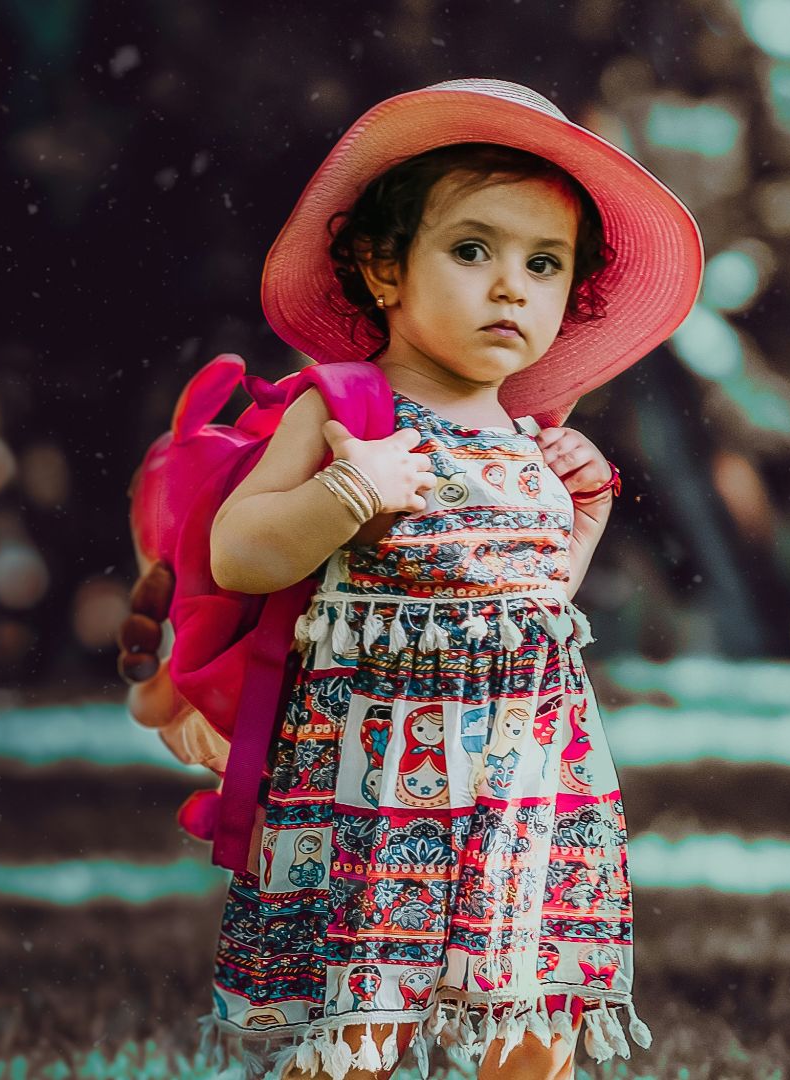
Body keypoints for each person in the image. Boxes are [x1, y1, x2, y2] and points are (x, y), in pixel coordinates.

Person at [195, 78, 702, 1080]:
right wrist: (346, 492)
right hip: (383, 780)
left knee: (531, 1027)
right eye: (473, 250)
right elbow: (235, 548)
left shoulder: (533, 442)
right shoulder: (348, 413)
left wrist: (583, 517)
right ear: (384, 268)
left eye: (542, 263)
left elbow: (536, 602)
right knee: (362, 1034)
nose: (511, 285)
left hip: (527, 778)